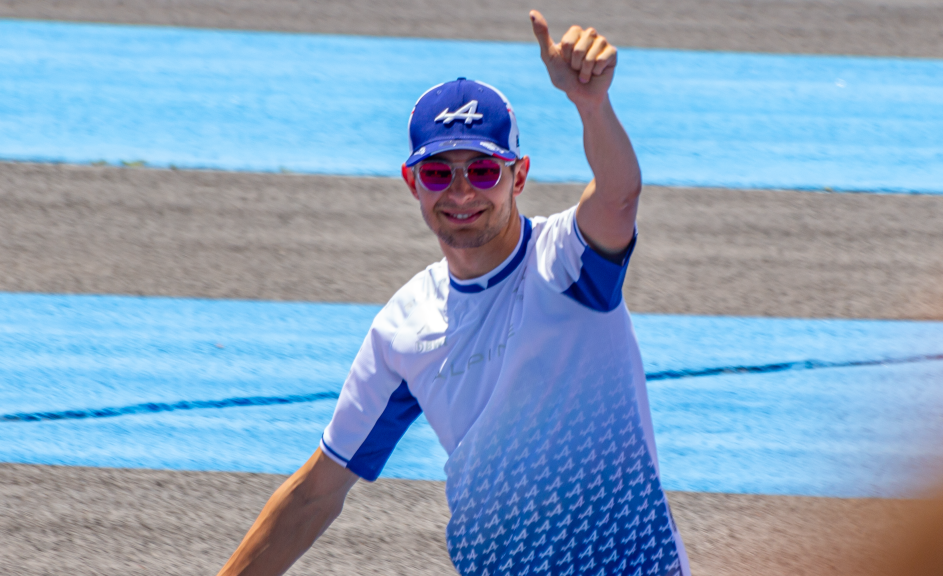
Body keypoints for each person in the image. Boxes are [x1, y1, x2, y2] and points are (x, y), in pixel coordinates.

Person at [218, 10, 690, 576]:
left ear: (519, 176)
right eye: (440, 174)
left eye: (483, 172)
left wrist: (592, 106)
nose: (462, 192)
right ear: (412, 183)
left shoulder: (567, 262)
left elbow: (618, 197)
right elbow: (315, 493)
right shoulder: (402, 329)